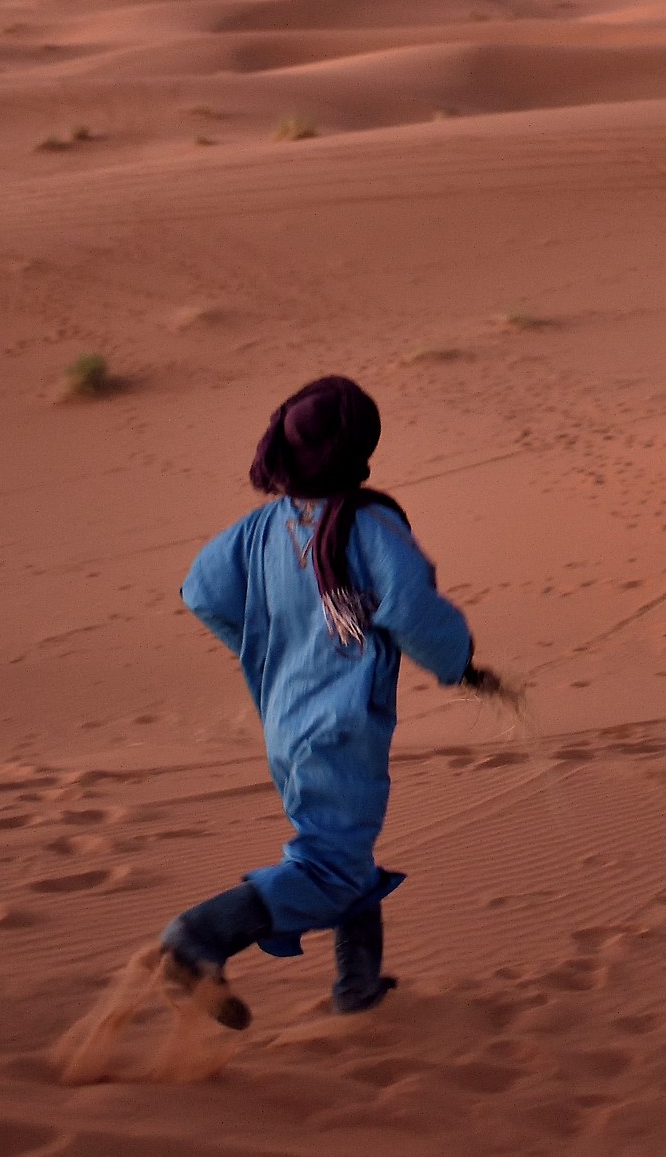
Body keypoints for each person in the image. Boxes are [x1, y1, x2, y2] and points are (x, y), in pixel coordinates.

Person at [161, 375, 496, 1027]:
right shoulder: (368, 525)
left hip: (287, 718)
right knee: (331, 866)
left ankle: (358, 986)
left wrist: (269, 652)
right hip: (340, 724)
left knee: (343, 852)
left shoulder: (263, 527)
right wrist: (460, 666)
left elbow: (203, 592)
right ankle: (197, 937)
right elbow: (410, 609)